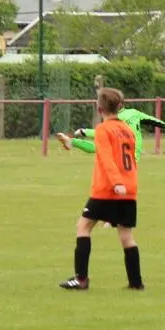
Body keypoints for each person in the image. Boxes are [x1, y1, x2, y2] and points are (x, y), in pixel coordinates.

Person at [59, 87, 144, 291]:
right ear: (120, 107)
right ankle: (136, 283)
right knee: (126, 235)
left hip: (107, 190)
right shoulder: (128, 130)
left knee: (83, 227)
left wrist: (116, 183)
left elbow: (106, 158)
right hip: (129, 189)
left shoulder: (103, 130)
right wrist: (74, 142)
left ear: (99, 109)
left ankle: (81, 279)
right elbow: (121, 157)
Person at [55, 104, 165, 150]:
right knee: (101, 148)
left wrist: (83, 131)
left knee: (100, 148)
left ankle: (72, 142)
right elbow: (152, 120)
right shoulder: (134, 112)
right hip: (131, 149)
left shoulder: (114, 118)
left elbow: (103, 132)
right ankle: (72, 142)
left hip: (126, 150)